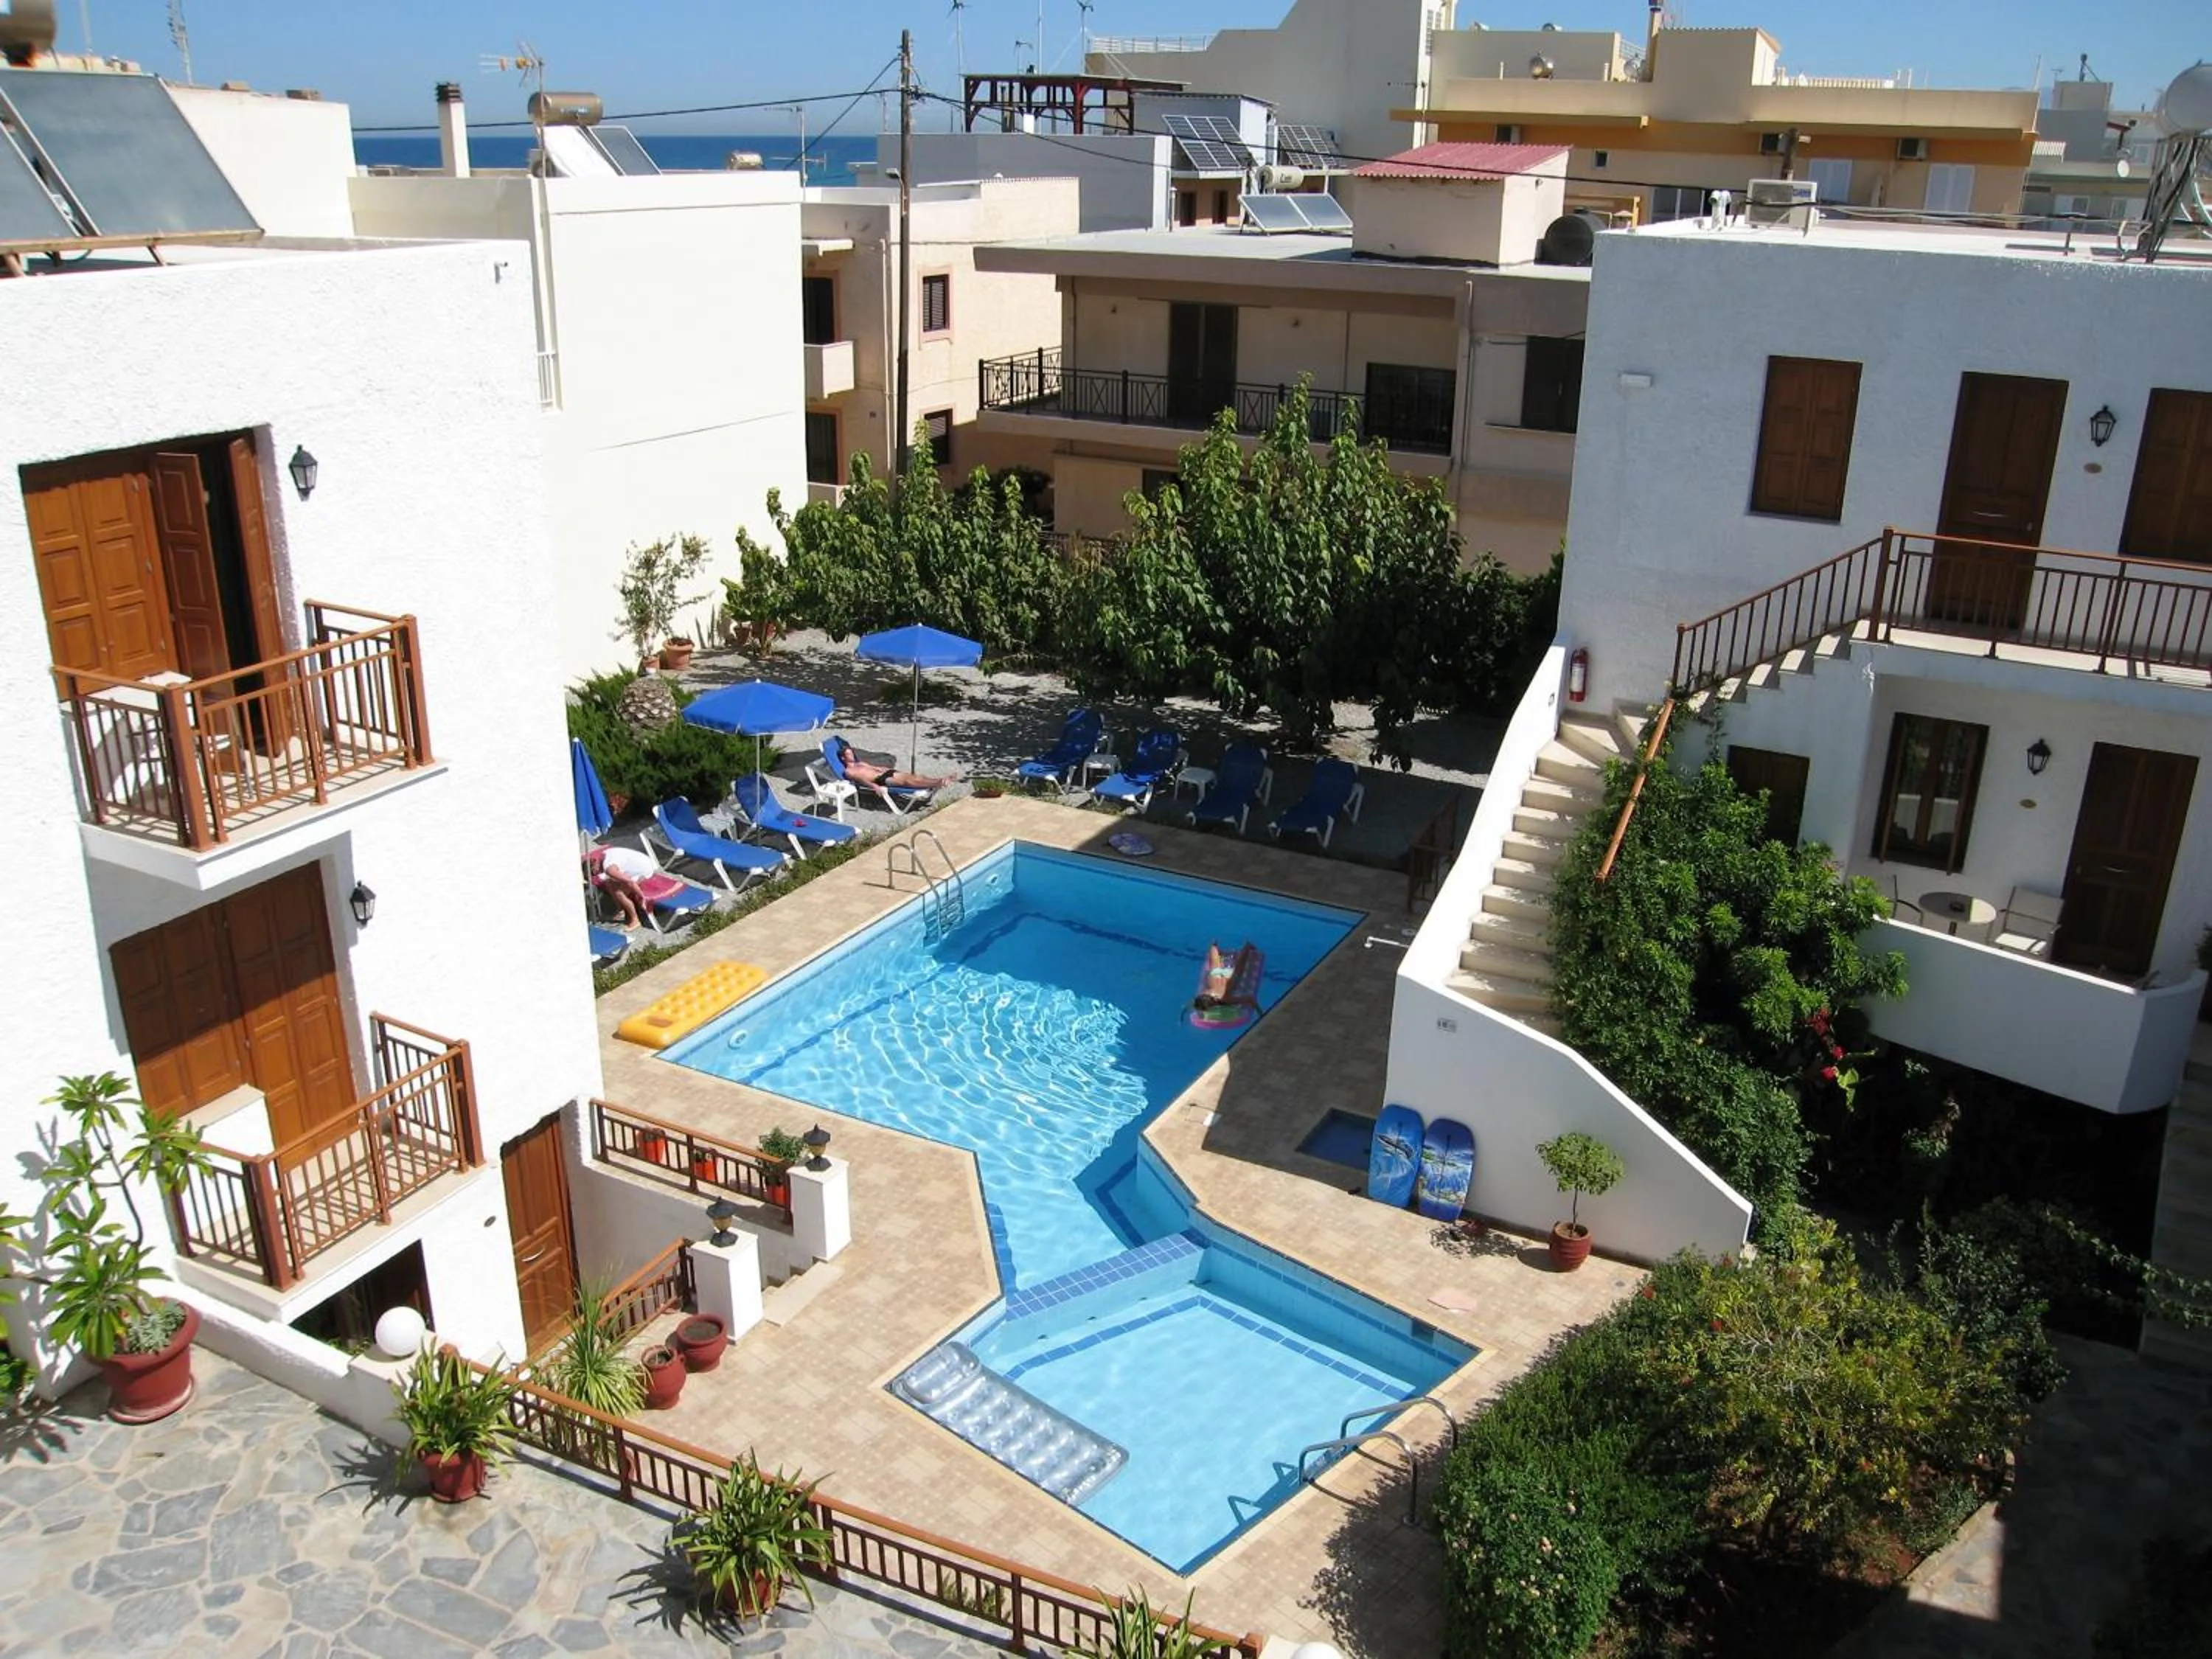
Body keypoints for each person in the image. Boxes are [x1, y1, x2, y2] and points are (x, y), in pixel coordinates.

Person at [832, 737, 957, 801]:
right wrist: (875, 787)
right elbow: (862, 780)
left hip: (885, 772)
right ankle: (938, 782)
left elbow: (874, 767)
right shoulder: (849, 771)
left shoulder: (860, 763)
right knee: (908, 782)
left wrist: (883, 768)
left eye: (852, 754)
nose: (852, 756)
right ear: (843, 758)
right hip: (880, 780)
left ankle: (938, 781)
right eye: (849, 755)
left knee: (914, 777)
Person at [585, 844, 657, 929]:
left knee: (618, 893)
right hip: (643, 861)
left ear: (594, 866)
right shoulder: (604, 855)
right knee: (609, 883)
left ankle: (635, 919)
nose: (597, 874)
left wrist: (641, 896)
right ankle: (621, 909)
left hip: (645, 870)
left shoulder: (609, 869)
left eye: (593, 873)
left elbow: (630, 882)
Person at [1194, 942, 1236, 1010]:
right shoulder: (1205, 994)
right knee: (1216, 962)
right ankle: (1214, 945)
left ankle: (1216, 949)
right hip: (1215, 977)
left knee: (1224, 965)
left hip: (1224, 978)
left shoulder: (1221, 998)